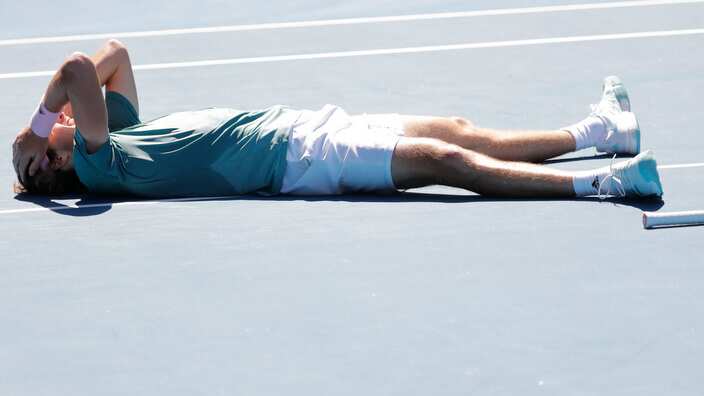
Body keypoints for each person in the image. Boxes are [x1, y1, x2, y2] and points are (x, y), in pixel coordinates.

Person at [12, 40, 662, 200]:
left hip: (302, 124)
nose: (58, 121)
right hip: (297, 159)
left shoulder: (123, 135)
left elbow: (113, 55)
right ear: (56, 156)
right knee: (449, 164)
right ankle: (603, 184)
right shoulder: (102, 164)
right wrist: (37, 128)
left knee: (457, 130)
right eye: (43, 144)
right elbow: (76, 68)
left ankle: (602, 132)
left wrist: (46, 129)